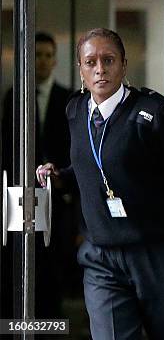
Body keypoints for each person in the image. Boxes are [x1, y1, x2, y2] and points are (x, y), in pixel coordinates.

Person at [37, 28, 164, 339]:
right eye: (90, 62)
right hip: (101, 257)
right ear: (80, 70)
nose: (100, 69)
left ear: (123, 65)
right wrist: (60, 177)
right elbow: (89, 168)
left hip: (154, 255)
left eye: (108, 60)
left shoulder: (154, 114)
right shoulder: (75, 110)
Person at [1, 32, 77, 321]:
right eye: (37, 55)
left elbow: (73, 146)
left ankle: (50, 323)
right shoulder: (15, 96)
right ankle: (20, 320)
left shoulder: (67, 98)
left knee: (52, 260)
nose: (42, 61)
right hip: (21, 192)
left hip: (55, 194)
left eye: (47, 55)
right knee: (21, 257)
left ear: (55, 61)